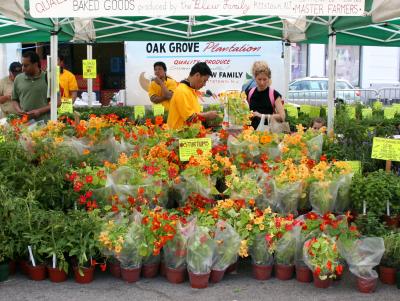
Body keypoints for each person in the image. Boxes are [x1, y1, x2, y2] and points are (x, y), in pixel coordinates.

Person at [167, 62, 219, 130]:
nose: (204, 84)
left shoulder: (190, 90)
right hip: (179, 137)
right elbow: (189, 118)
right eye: (204, 80)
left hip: (188, 135)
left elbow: (194, 114)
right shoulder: (182, 91)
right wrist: (207, 115)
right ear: (197, 75)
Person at [12, 51, 60, 123]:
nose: (23, 69)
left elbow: (58, 102)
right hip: (25, 124)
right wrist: (19, 110)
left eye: (26, 65)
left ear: (35, 64)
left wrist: (39, 111)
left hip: (45, 124)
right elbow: (14, 99)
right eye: (22, 65)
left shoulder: (50, 78)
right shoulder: (18, 79)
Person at [246, 61, 285, 129]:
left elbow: (282, 117)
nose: (262, 82)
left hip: (267, 134)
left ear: (269, 78)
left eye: (264, 79)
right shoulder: (249, 92)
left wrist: (261, 116)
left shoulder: (274, 94)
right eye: (259, 79)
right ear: (255, 78)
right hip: (250, 134)